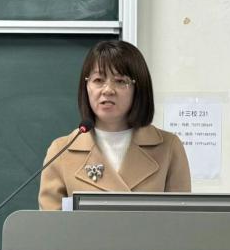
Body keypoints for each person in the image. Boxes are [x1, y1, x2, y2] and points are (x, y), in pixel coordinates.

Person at [38, 40, 191, 210]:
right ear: (86, 86)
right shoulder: (61, 151)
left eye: (120, 81)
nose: (108, 90)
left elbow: (181, 220)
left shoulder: (169, 147)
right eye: (98, 80)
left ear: (139, 88)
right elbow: (50, 224)